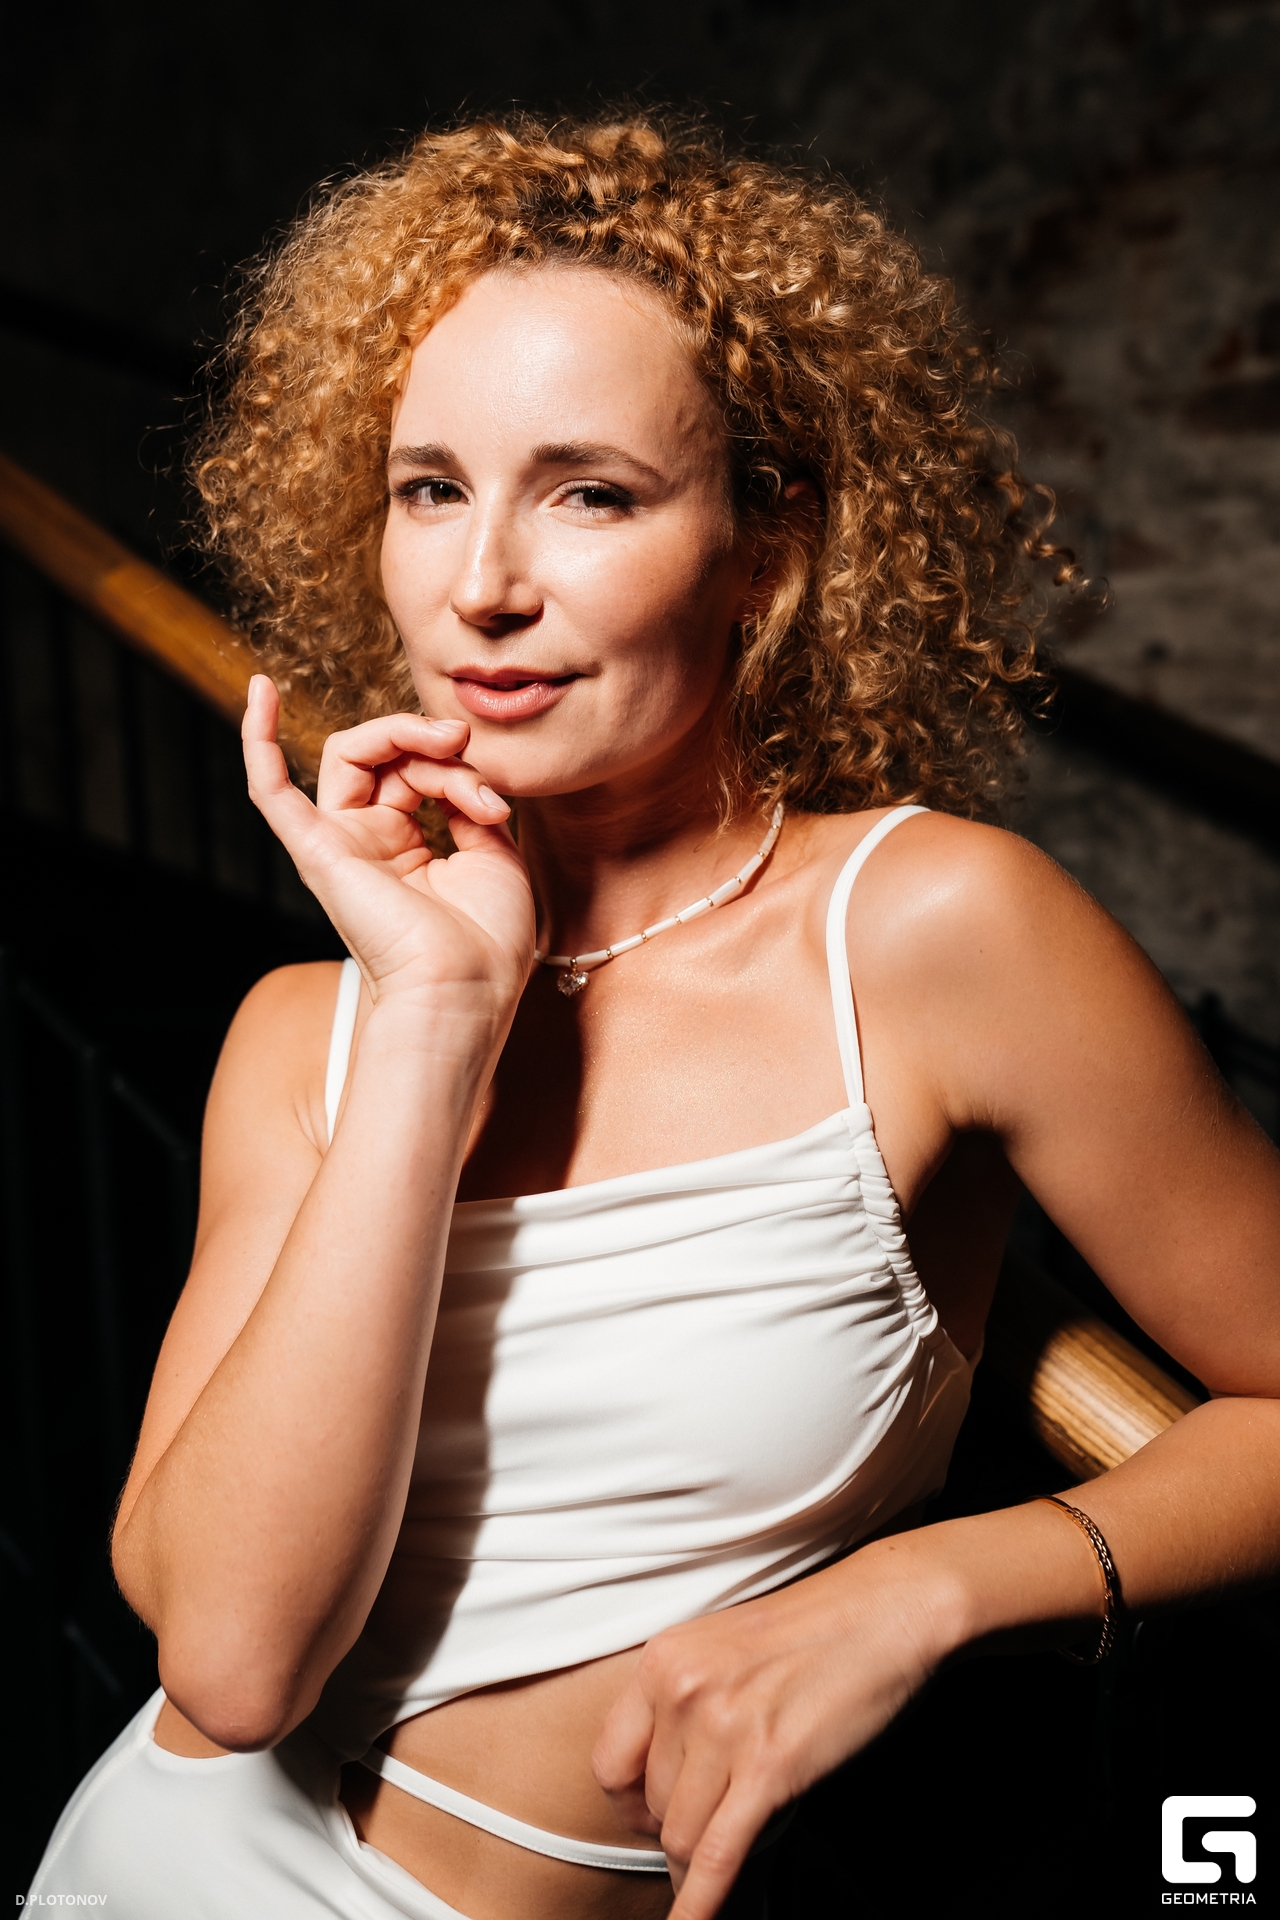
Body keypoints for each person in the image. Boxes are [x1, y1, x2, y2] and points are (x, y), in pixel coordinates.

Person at [30, 113, 1280, 1920]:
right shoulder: (310, 1033)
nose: (482, 585)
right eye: (429, 487)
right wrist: (436, 1022)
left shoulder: (933, 932)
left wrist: (930, 1590)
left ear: (767, 551)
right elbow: (230, 1668)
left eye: (590, 493)